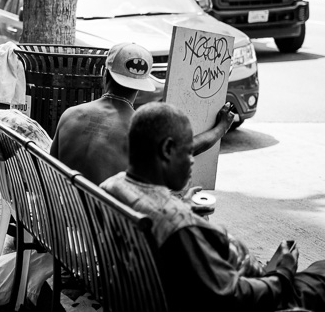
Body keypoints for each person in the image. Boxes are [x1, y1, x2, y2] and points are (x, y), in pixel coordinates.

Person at [101, 102, 325, 312]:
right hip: (263, 294)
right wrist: (282, 273)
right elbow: (232, 297)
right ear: (167, 149)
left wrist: (179, 206)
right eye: (188, 151)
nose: (192, 161)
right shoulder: (179, 228)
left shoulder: (113, 186)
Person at [50, 42, 233, 185]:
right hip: (104, 227)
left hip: (61, 219)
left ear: (105, 74)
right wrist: (221, 128)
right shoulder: (140, 130)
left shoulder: (70, 115)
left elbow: (50, 168)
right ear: (140, 86)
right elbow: (187, 148)